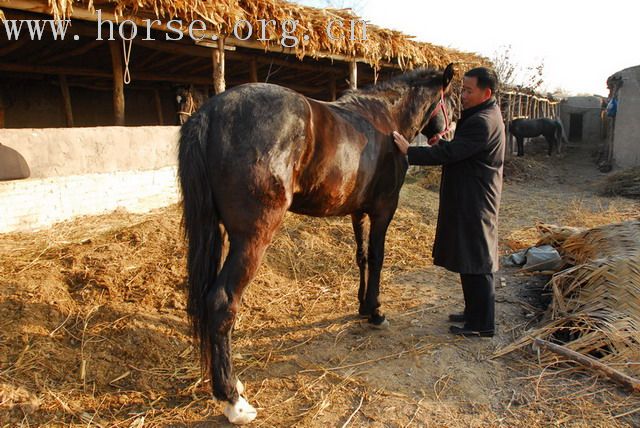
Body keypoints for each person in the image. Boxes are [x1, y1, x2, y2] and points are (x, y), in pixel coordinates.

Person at [392, 67, 505, 337]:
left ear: (485, 93)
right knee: (469, 255)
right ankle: (473, 312)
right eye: (462, 89)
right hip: (470, 193)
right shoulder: (483, 114)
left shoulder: (483, 121)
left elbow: (453, 153)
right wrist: (447, 138)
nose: (463, 95)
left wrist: (411, 151)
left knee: (478, 258)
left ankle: (482, 325)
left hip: (475, 197)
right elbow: (461, 147)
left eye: (468, 91)